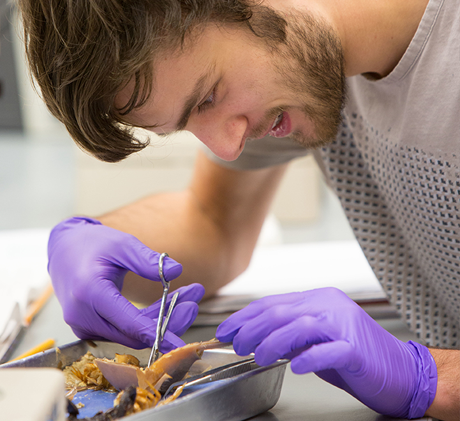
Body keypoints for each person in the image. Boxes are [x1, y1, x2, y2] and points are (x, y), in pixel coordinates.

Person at [17, 0, 459, 419]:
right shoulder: (305, 54)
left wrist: (432, 378)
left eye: (207, 97)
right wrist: (92, 241)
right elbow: (213, 221)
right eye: (189, 123)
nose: (228, 148)